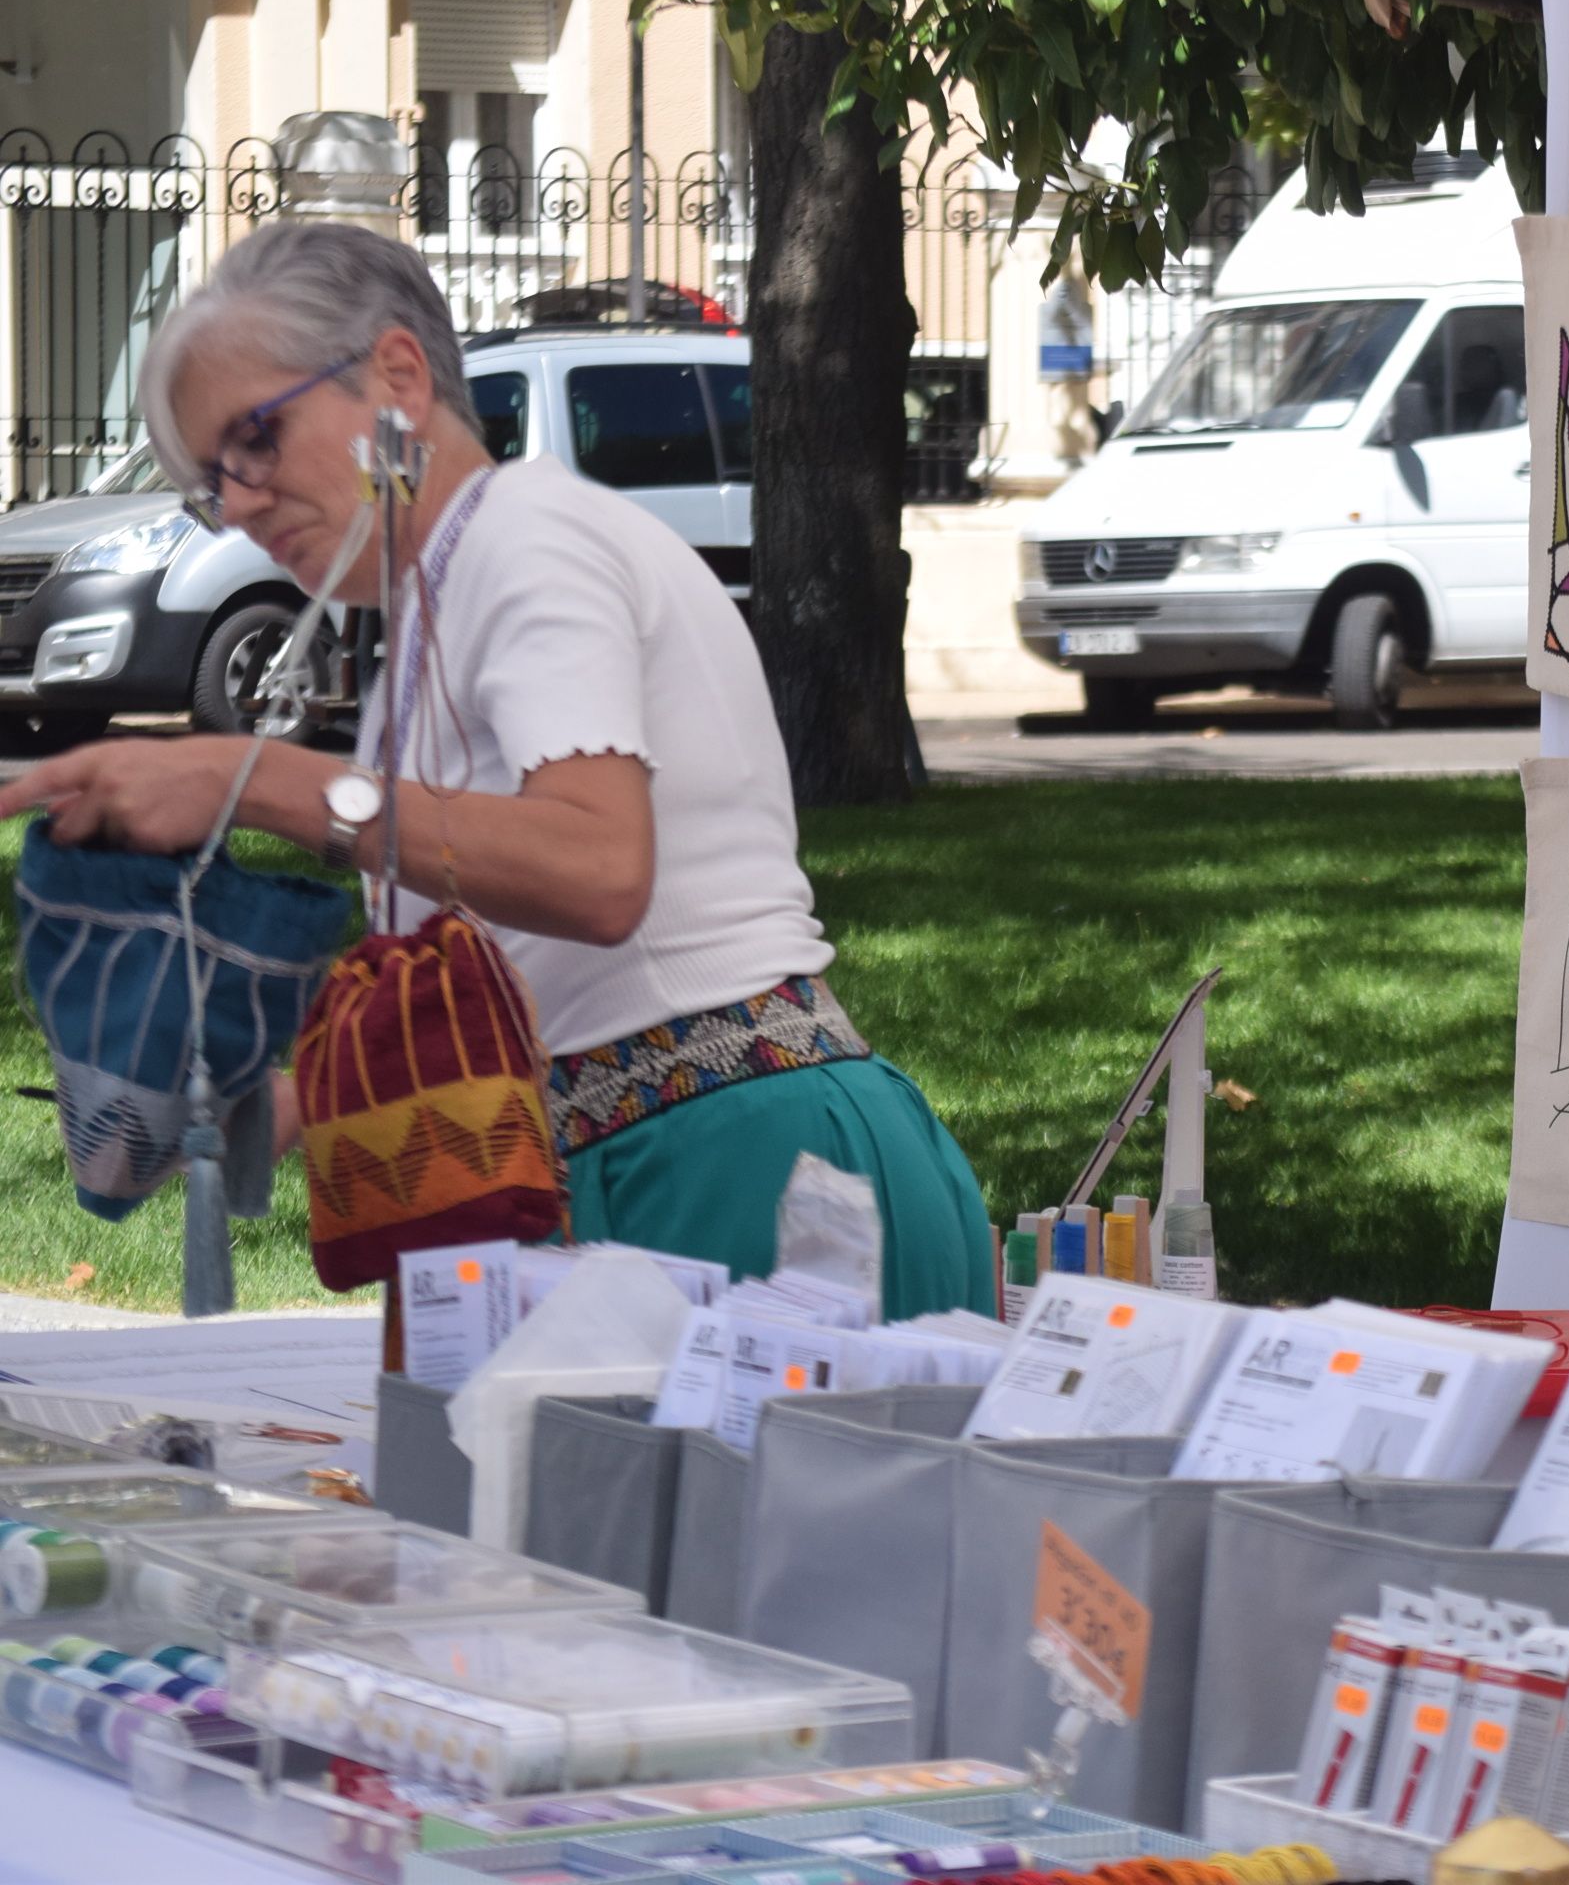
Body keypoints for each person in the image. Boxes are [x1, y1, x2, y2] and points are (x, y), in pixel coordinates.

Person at [0, 223, 995, 1321]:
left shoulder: (528, 539)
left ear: (398, 377)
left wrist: (255, 779)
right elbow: (520, 987)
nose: (235, 500)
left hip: (747, 1174)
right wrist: (257, 1110)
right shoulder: (438, 600)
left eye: (256, 439)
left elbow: (599, 869)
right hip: (668, 1173)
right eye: (209, 482)